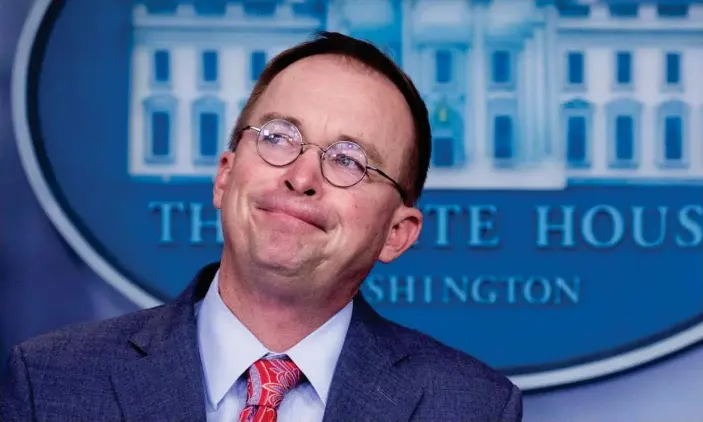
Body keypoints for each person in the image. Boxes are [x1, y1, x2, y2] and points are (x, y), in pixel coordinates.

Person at [0, 31, 522, 421]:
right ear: (225, 177)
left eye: (348, 160)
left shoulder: (470, 408)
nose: (301, 177)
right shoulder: (49, 382)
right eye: (278, 137)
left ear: (397, 233)